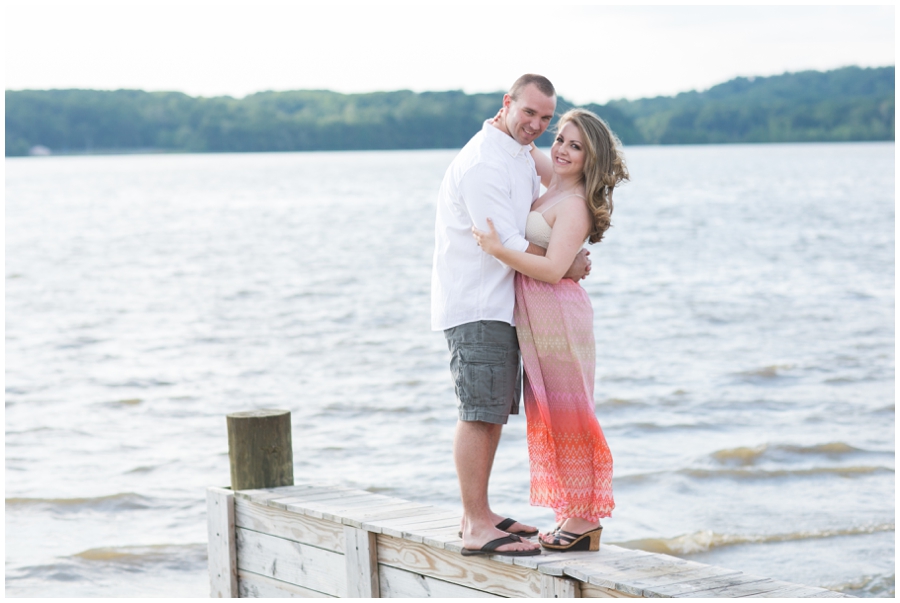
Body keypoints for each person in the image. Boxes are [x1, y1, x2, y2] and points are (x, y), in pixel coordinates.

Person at [431, 75, 591, 557]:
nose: (538, 126)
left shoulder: (518, 154)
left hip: (504, 306)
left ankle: (477, 512)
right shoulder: (483, 163)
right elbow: (506, 243)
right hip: (479, 303)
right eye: (531, 114)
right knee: (479, 413)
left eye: (547, 119)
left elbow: (571, 180)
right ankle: (477, 524)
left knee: (492, 409)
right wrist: (565, 262)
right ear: (508, 104)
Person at [471, 108, 629, 551]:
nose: (562, 149)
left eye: (575, 146)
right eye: (561, 138)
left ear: (589, 158)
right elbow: (524, 144)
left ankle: (584, 519)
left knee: (570, 412)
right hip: (540, 318)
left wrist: (498, 250)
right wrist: (508, 116)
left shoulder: (574, 203)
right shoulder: (553, 180)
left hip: (559, 315)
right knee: (549, 414)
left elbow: (553, 267)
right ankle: (571, 513)